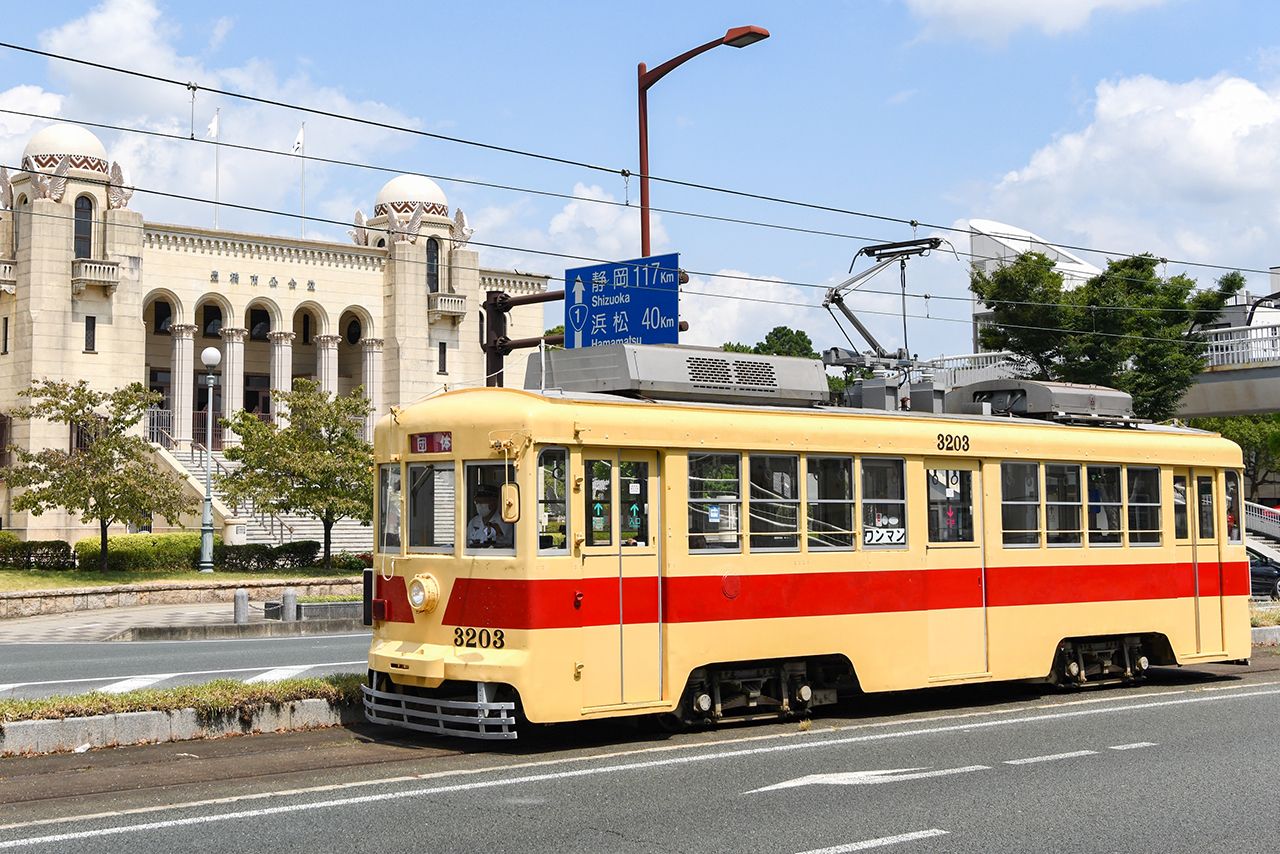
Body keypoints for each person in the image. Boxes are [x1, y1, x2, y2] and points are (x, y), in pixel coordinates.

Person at [467, 483, 513, 548]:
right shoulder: (473, 522)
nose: (479, 505)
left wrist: (498, 533)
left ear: (494, 502)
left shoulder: (504, 522)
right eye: (477, 502)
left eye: (483, 501)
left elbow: (507, 545)